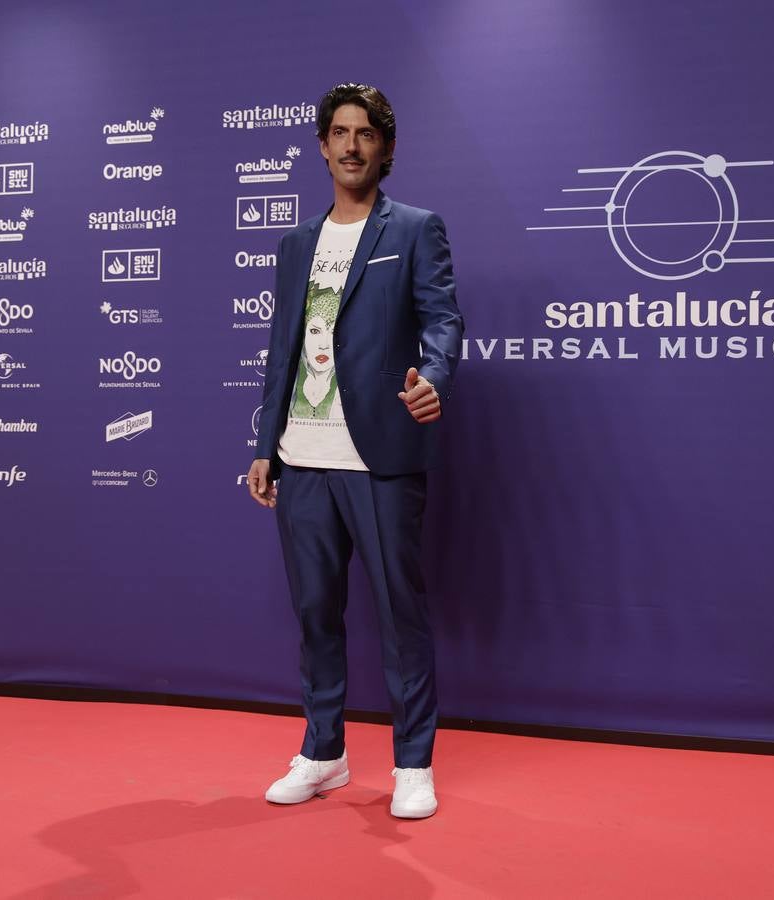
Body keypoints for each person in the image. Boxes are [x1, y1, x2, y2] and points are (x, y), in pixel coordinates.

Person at [246, 82, 464, 819]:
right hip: (302, 456)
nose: (349, 145)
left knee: (401, 613)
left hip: (379, 455)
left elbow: (441, 319)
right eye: (337, 133)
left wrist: (431, 377)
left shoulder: (414, 228)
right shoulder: (295, 243)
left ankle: (412, 763)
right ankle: (324, 752)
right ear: (320, 146)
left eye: (364, 133)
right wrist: (263, 445)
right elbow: (281, 350)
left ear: (387, 147)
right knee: (314, 612)